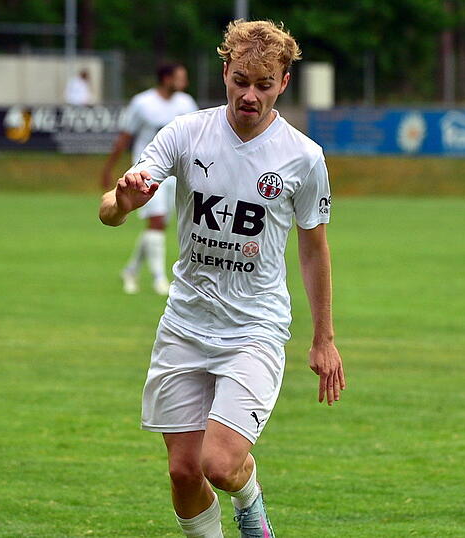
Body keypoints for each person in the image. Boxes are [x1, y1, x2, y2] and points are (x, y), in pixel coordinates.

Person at [99, 20, 345, 537]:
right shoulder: (188, 133)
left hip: (255, 328)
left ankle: (248, 498)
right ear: (225, 73)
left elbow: (314, 247)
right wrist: (121, 203)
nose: (248, 95)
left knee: (220, 463)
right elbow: (111, 208)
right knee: (183, 471)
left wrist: (324, 338)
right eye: (240, 80)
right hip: (186, 323)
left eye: (262, 84)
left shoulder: (303, 157)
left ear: (282, 83)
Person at [101, 63, 198, 295]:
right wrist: (108, 169)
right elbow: (125, 137)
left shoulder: (186, 103)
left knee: (159, 224)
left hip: (178, 174)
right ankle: (159, 279)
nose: (184, 83)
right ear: (166, 79)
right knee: (156, 221)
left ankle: (131, 270)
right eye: (179, 77)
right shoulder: (142, 103)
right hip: (147, 173)